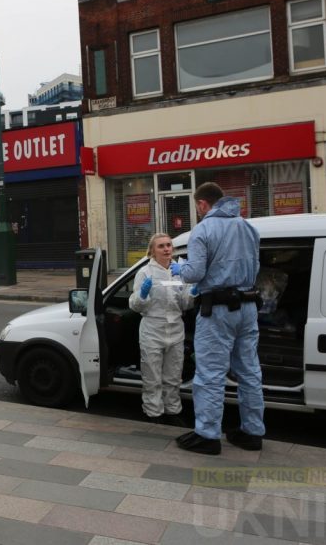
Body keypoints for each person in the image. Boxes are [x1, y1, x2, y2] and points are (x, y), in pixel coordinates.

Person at [170, 182, 263, 455]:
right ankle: (252, 432)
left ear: (202, 204)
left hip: (218, 310)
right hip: (247, 306)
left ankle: (207, 435)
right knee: (249, 371)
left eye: (197, 207)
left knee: (210, 373)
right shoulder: (248, 227)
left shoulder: (203, 229)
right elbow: (256, 266)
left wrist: (179, 268)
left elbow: (194, 273)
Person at [127, 233, 195, 426]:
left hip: (175, 329)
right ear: (152, 251)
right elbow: (135, 305)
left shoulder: (179, 271)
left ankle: (173, 410)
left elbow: (185, 303)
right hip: (152, 330)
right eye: (161, 246)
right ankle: (153, 412)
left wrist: (193, 292)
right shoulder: (145, 272)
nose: (166, 249)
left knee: (173, 376)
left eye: (168, 245)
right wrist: (142, 295)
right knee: (152, 376)